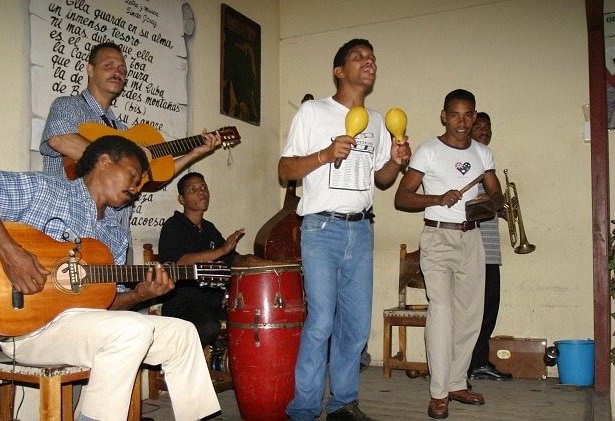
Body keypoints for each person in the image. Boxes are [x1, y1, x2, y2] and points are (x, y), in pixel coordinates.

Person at [0, 136, 220, 421]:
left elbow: (106, 308)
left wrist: (140, 295)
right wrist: (9, 251)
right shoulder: (48, 190)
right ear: (105, 162)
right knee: (132, 330)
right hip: (26, 327)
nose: (135, 188)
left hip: (78, 329)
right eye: (132, 176)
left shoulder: (114, 234)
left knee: (183, 332)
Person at [278, 38, 411, 421]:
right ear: (340, 71)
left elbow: (381, 181)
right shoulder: (313, 112)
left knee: (355, 326)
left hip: (362, 230)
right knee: (321, 321)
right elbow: (285, 170)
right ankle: (303, 409)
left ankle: (342, 404)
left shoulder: (380, 120)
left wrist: (397, 161)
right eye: (359, 57)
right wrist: (325, 154)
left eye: (372, 57)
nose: (369, 61)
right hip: (321, 229)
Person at [394, 89, 504, 419]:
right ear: (444, 116)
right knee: (441, 312)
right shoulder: (428, 151)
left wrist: (484, 204)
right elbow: (402, 197)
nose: (462, 122)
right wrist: (437, 198)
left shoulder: (483, 153)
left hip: (472, 240)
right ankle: (438, 392)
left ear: (474, 116)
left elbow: (497, 195)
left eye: (468, 115)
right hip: (438, 238)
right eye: (455, 115)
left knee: (470, 316)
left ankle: (457, 383)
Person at [40, 42, 220, 234]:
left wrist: (194, 154)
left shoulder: (122, 129)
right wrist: (124, 162)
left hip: (115, 234)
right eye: (109, 65)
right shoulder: (68, 106)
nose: (117, 72)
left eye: (122, 69)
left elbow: (157, 174)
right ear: (90, 70)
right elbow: (59, 140)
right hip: (71, 226)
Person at [158, 172, 266, 346]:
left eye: (204, 187)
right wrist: (220, 251)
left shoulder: (209, 228)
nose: (201, 192)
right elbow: (180, 262)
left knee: (252, 319)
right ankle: (176, 365)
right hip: (183, 300)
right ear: (181, 199)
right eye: (193, 189)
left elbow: (232, 259)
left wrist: (257, 261)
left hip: (214, 300)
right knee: (209, 327)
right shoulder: (173, 225)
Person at [467, 112, 513, 382]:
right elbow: (470, 203)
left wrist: (502, 210)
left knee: (489, 308)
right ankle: (474, 364)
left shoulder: (486, 161)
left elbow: (490, 203)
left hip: (490, 247)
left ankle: (478, 362)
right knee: (478, 311)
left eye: (488, 127)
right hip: (476, 248)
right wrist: (488, 202)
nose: (484, 131)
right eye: (478, 126)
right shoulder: (472, 162)